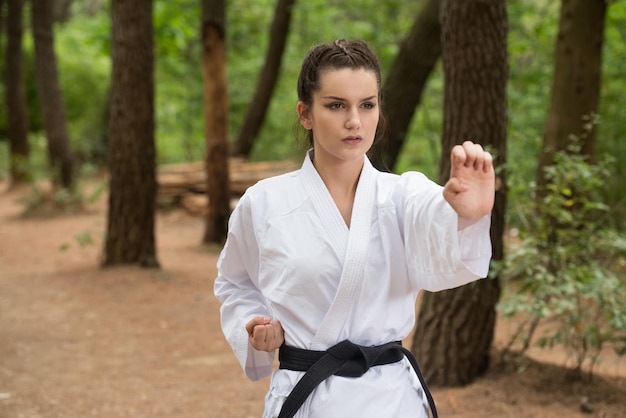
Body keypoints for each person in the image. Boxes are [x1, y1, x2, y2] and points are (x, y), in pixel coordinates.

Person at [214, 39, 494, 418]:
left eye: (367, 104)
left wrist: (465, 216)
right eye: (335, 105)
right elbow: (235, 282)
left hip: (392, 400)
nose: (354, 121)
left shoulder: (404, 195)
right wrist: (254, 322)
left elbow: (438, 226)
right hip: (306, 397)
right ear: (305, 114)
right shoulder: (264, 203)